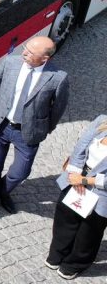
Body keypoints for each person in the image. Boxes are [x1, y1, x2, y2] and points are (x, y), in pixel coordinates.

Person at [0, 35, 69, 216]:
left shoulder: (58, 78)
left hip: (28, 132)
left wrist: (46, 128)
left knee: (21, 172)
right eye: (26, 47)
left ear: (45, 58)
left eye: (31, 52)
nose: (24, 52)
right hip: (0, 125)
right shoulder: (10, 63)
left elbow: (58, 108)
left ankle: (2, 191)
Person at [46, 115, 107, 279]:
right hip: (77, 179)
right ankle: (57, 253)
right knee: (64, 218)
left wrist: (85, 180)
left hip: (101, 193)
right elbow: (81, 146)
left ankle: (75, 263)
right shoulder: (102, 120)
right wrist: (75, 173)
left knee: (88, 232)